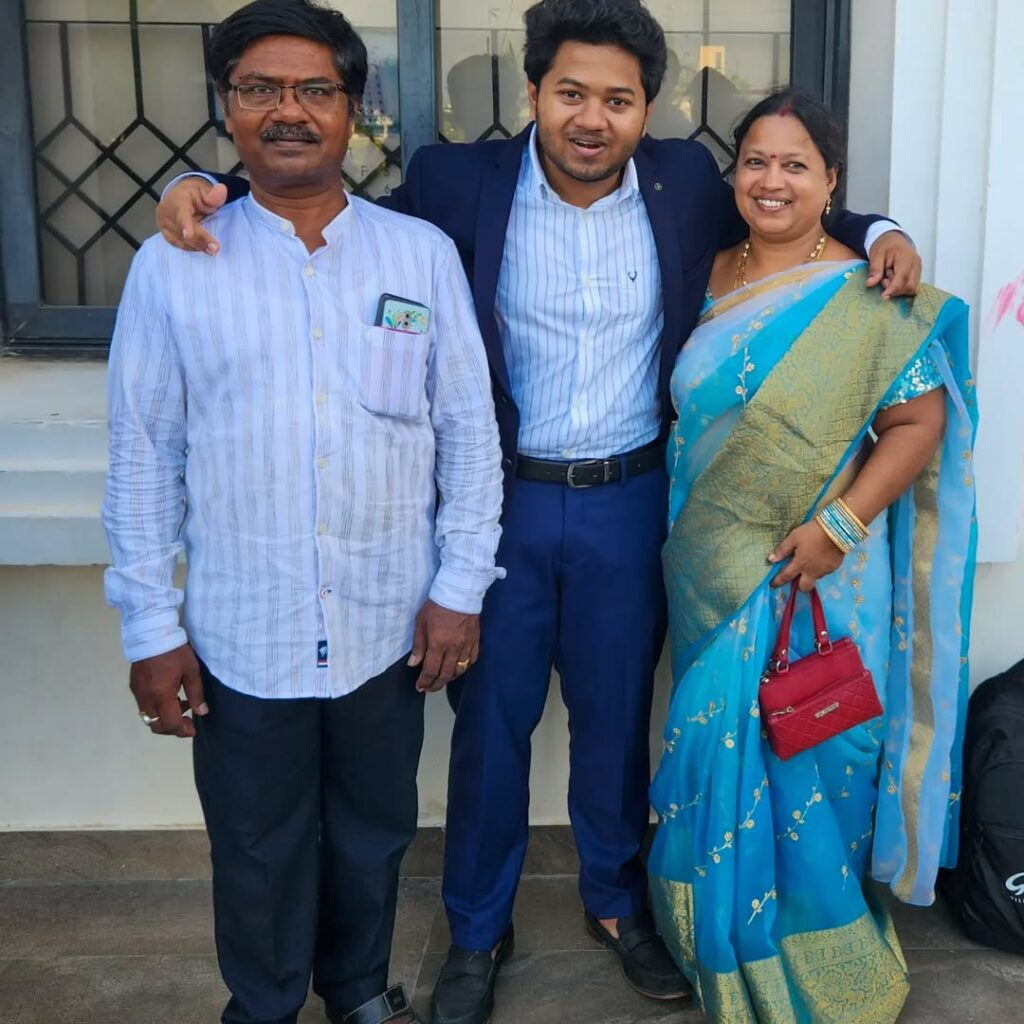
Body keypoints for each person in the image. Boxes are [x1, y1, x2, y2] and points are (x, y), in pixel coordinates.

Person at [155, 3, 924, 1022]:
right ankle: (476, 928)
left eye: (617, 99)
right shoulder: (452, 184)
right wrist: (207, 185)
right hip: (503, 502)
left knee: (615, 718)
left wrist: (883, 230)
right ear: (532, 94)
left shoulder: (684, 183)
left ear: (648, 109)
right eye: (570, 93)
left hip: (631, 504)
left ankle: (615, 901)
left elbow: (792, 206)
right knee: (490, 727)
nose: (591, 119)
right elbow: (321, 207)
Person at [102, 3, 503, 1024]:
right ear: (227, 107)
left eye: (314, 89)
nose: (289, 111)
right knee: (256, 842)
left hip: (386, 618)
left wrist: (460, 587)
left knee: (374, 830)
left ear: (352, 109)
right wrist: (150, 628)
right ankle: (266, 1004)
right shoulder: (173, 264)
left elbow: (467, 433)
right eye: (260, 90)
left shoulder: (417, 256)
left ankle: (359, 990)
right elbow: (142, 458)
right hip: (243, 627)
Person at [647, 88, 976, 1023]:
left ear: (832, 182)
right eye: (756, 160)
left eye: (796, 164)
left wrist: (839, 528)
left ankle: (818, 955)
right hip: (709, 563)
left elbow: (917, 423)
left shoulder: (868, 292)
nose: (773, 180)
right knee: (707, 742)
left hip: (818, 575)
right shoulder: (703, 271)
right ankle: (713, 938)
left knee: (809, 750)